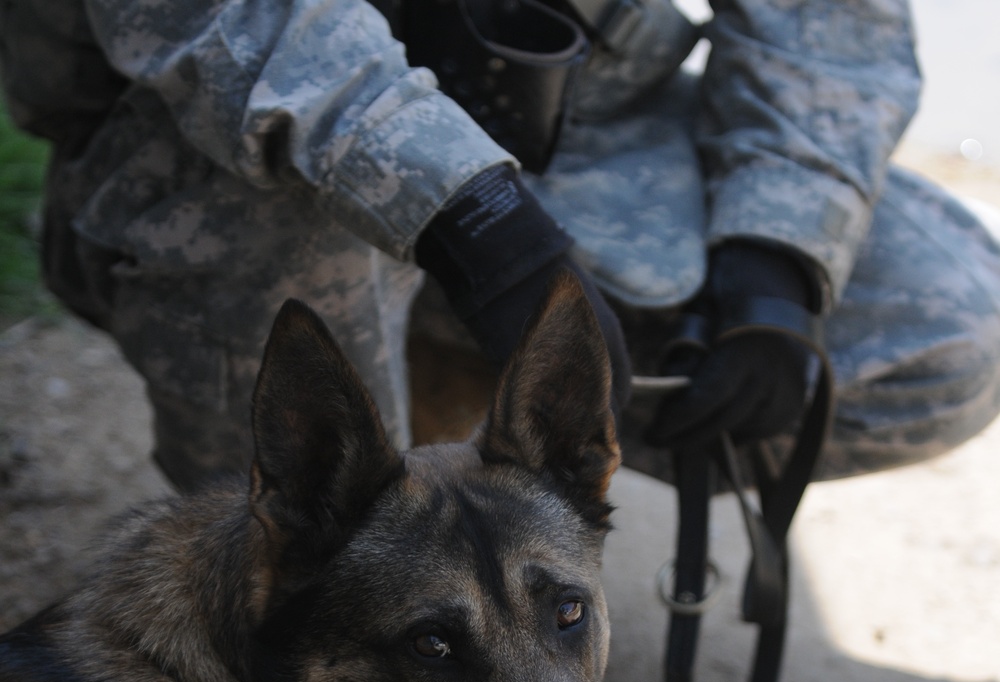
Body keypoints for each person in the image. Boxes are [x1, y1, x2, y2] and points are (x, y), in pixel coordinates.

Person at [2, 0, 1000, 493]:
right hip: (242, 139)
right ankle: (304, 609)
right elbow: (238, 23)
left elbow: (825, 21)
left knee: (945, 334)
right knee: (293, 229)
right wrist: (484, 233)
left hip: (579, 121)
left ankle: (491, 538)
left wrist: (779, 259)